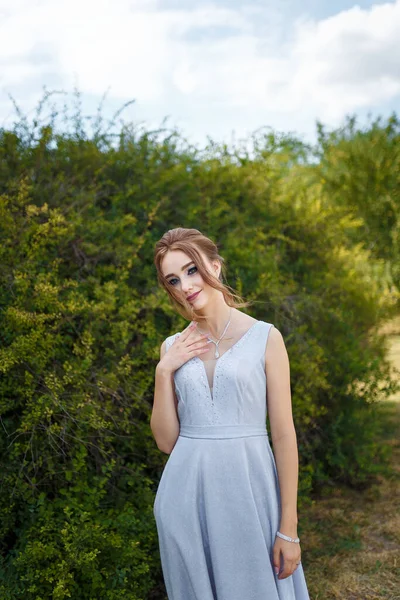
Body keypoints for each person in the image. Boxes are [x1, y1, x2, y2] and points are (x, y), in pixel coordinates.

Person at [151, 227, 310, 600]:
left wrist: (289, 527)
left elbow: (284, 434)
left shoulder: (266, 338)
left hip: (250, 492)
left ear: (215, 266)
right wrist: (164, 370)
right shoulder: (172, 346)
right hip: (184, 499)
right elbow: (166, 441)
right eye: (173, 279)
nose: (186, 285)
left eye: (192, 270)